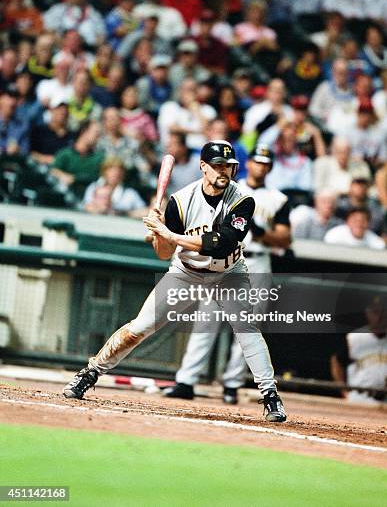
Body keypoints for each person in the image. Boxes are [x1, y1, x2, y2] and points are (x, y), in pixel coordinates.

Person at [63, 140, 287, 423]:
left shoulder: (243, 201)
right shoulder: (181, 201)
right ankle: (90, 373)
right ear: (203, 167)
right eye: (217, 165)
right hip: (186, 272)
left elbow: (222, 243)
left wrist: (171, 236)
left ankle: (270, 396)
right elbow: (164, 254)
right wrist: (159, 233)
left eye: (229, 166)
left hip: (229, 273)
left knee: (246, 329)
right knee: (139, 328)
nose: (224, 171)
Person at [164, 145, 290, 404]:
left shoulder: (278, 198)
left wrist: (261, 231)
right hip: (225, 259)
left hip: (257, 261)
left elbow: (285, 239)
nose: (261, 167)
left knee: (246, 325)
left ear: (270, 167)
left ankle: (232, 384)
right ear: (248, 163)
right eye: (257, 161)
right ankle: (186, 379)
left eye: (266, 163)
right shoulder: (231, 188)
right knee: (206, 320)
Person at [330, 298, 387, 403]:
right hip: (360, 401)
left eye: (383, 312)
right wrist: (344, 392)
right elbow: (336, 361)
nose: (379, 317)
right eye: (375, 312)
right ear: (367, 314)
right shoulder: (355, 338)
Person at [51, 120, 104, 192]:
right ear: (84, 131)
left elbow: (98, 176)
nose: (98, 137)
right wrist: (62, 175)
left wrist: (74, 178)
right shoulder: (66, 154)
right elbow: (53, 170)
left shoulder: (99, 157)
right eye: (96, 133)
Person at [30, 96, 75, 165]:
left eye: (66, 109)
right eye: (59, 108)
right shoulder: (39, 131)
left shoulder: (72, 136)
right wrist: (48, 159)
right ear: (51, 110)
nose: (63, 111)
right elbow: (31, 153)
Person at [0, 86, 30, 155]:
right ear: (1, 99)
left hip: (11, 162)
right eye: (9, 97)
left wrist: (18, 150)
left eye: (16, 98)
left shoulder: (23, 125)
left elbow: (25, 152)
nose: (12, 102)